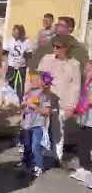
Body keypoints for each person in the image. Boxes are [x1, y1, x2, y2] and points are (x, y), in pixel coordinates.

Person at [37, 34, 81, 166]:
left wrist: (71, 106)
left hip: (62, 102)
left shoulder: (74, 64)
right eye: (54, 46)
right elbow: (38, 75)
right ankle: (39, 153)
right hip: (45, 99)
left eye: (58, 47)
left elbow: (76, 87)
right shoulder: (47, 59)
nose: (55, 49)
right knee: (41, 127)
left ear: (66, 48)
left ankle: (56, 157)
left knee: (58, 130)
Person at [15, 71, 52, 177]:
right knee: (26, 145)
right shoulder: (28, 93)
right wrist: (21, 108)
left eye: (36, 80)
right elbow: (23, 108)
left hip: (37, 125)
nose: (32, 81)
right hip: (26, 125)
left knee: (35, 146)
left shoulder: (44, 95)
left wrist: (34, 106)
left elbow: (47, 111)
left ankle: (39, 166)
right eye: (32, 79)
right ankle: (26, 162)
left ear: (42, 82)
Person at [70, 60, 92, 184]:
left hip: (90, 122)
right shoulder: (87, 84)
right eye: (85, 69)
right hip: (84, 120)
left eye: (88, 70)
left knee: (88, 146)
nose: (85, 72)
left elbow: (89, 100)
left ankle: (88, 170)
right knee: (82, 145)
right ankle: (83, 169)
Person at [3, 24, 32, 103]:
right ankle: (9, 102)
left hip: (21, 67)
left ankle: (19, 102)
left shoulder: (26, 41)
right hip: (11, 66)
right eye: (13, 32)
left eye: (16, 33)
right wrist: (6, 64)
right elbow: (4, 53)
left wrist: (23, 61)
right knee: (9, 85)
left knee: (20, 86)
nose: (14, 34)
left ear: (21, 33)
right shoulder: (9, 40)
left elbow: (29, 55)